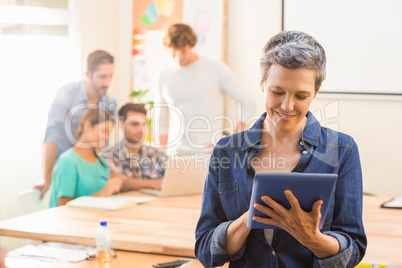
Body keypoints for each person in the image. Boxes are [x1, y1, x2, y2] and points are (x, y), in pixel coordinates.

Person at [195, 31, 367, 267]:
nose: (287, 105)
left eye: (301, 95)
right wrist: (250, 218)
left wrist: (314, 239)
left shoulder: (342, 150)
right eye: (277, 92)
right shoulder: (227, 151)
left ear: (315, 93)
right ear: (262, 84)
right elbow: (205, 249)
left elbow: (354, 249)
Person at [153, 23, 255, 155]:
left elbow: (248, 103)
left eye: (183, 52)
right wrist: (161, 155)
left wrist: (231, 143)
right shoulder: (163, 75)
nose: (178, 58)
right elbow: (161, 119)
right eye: (173, 53)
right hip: (176, 156)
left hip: (210, 155)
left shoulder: (215, 68)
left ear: (192, 46)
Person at [35, 50, 117, 198]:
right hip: (67, 168)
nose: (107, 83)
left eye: (111, 76)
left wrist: (108, 170)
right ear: (88, 74)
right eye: (102, 77)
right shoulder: (67, 94)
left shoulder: (110, 101)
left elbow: (105, 142)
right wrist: (47, 178)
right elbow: (53, 135)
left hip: (90, 169)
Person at [49, 108, 123, 208]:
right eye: (103, 131)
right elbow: (64, 207)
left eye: (108, 134)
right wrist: (103, 193)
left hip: (96, 219)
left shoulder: (102, 162)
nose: (106, 138)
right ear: (87, 126)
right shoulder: (67, 161)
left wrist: (113, 188)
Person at [100, 103, 168, 191]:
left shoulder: (158, 153)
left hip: (158, 203)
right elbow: (118, 182)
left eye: (144, 124)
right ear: (121, 125)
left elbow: (174, 179)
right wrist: (154, 184)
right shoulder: (107, 155)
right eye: (135, 124)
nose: (141, 129)